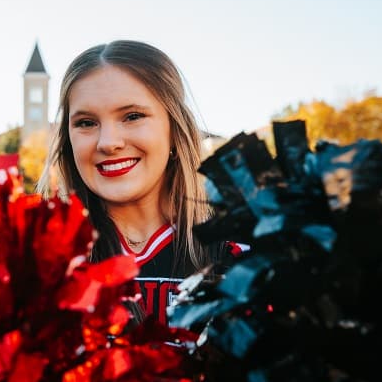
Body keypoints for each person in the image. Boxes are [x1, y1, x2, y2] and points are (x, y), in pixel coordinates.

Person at [37, 40, 242, 324]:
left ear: (174, 127)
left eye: (132, 116)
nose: (108, 143)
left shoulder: (245, 259)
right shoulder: (38, 266)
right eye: (86, 122)